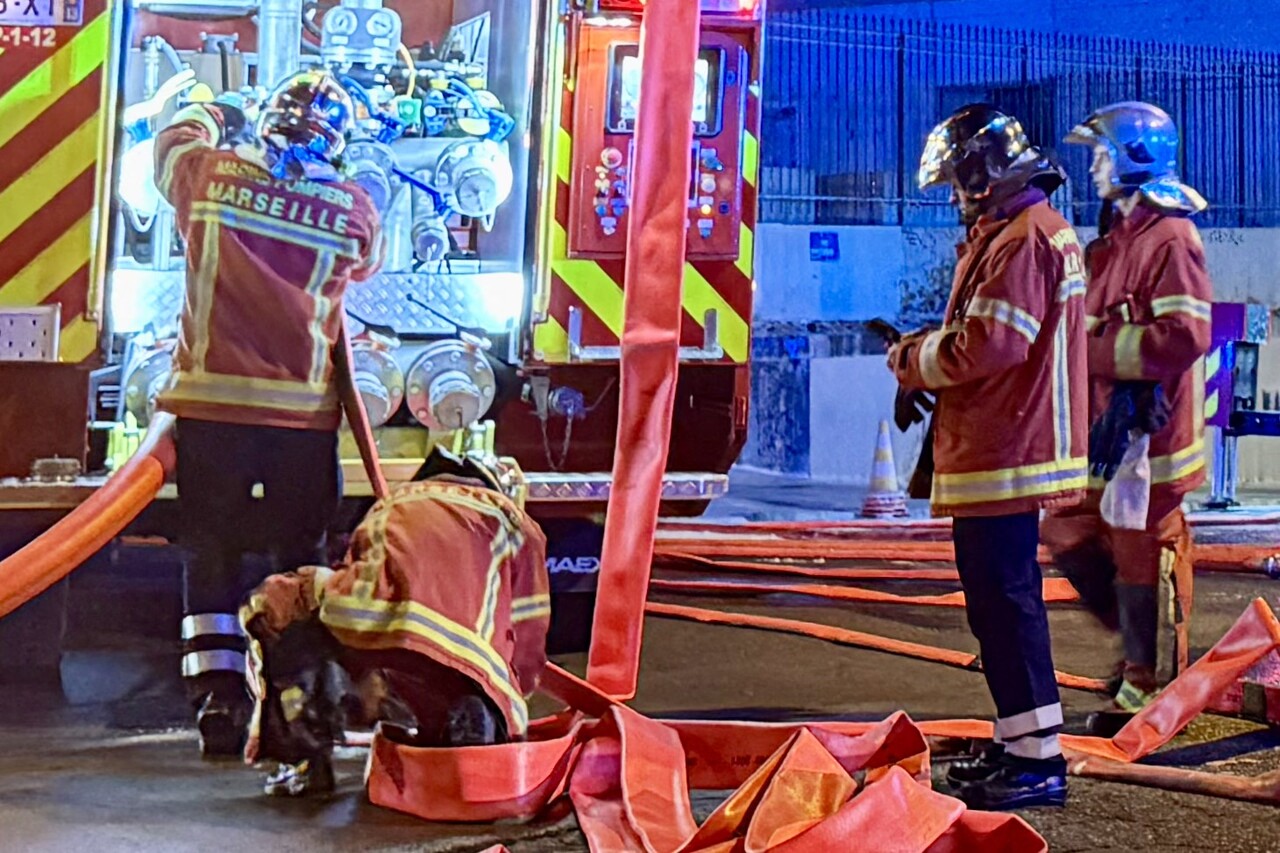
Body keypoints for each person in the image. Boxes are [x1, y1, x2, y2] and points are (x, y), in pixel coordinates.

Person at [152, 69, 384, 757]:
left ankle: (219, 698)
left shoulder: (207, 175)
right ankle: (302, 699)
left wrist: (213, 112)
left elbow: (169, 144)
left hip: (212, 411)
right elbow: (364, 265)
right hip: (303, 423)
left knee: (211, 550)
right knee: (300, 560)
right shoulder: (351, 207)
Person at [888, 104, 1088, 810]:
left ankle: (1036, 760)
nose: (953, 194)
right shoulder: (1020, 232)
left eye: (957, 179)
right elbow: (990, 337)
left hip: (1008, 452)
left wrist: (911, 361)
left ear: (981, 172)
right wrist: (923, 360)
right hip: (1002, 447)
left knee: (1005, 604)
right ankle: (1018, 742)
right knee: (998, 606)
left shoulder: (1024, 238)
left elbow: (992, 344)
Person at [238, 442, 550, 796]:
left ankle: (308, 757)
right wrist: (508, 698)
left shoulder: (396, 502)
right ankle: (473, 725)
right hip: (465, 648)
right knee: (471, 678)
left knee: (298, 622)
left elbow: (355, 572)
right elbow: (528, 627)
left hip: (370, 616)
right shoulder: (513, 521)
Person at [1042, 102, 1212, 735]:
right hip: (1109, 429)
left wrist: (1096, 353)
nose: (1092, 167)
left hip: (1149, 432)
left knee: (1139, 549)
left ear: (1135, 159)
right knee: (1067, 528)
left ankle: (1146, 683)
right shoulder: (1116, 237)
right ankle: (1141, 649)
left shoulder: (1169, 237)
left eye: (1101, 154)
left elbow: (1184, 333)